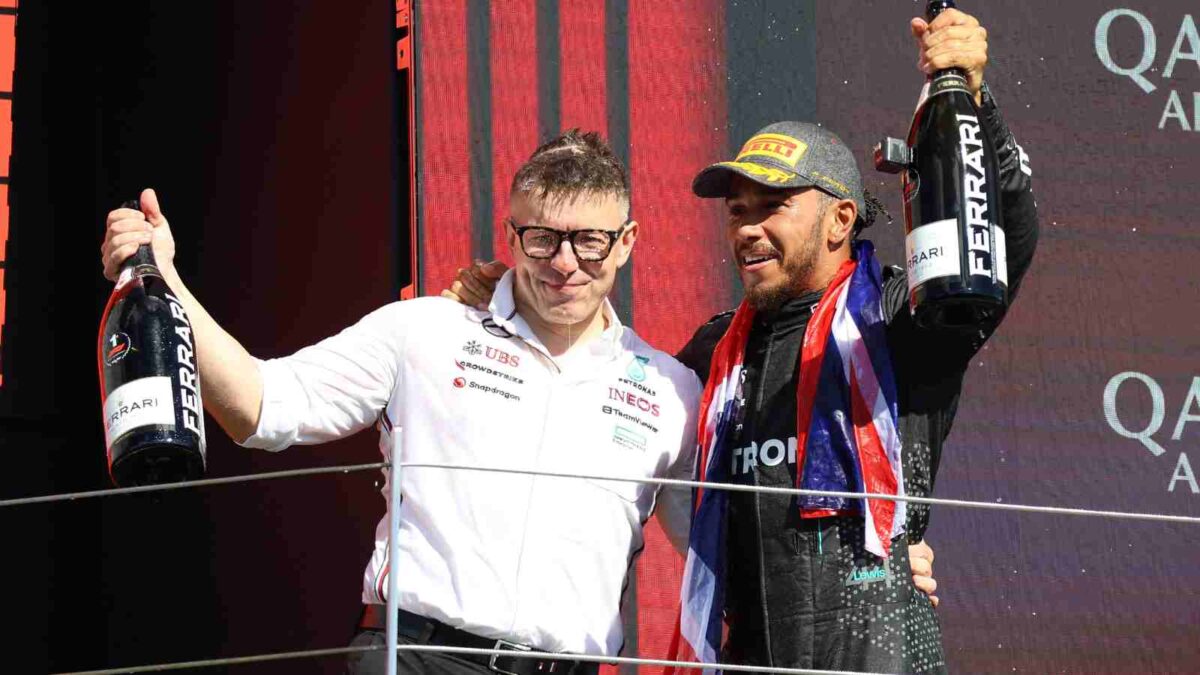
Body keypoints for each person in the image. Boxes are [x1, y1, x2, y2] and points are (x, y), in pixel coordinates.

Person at [445, 8, 1035, 673]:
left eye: (772, 205)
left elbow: (999, 240)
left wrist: (974, 103)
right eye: (737, 212)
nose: (747, 229)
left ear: (841, 217)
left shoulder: (903, 322)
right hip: (748, 659)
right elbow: (598, 364)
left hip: (885, 657)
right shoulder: (712, 352)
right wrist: (514, 292)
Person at [101, 131, 706, 675]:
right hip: (417, 658)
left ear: (626, 242)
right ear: (512, 236)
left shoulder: (671, 391)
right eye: (542, 239)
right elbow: (263, 406)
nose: (565, 264)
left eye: (590, 241)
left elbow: (716, 558)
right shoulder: (424, 332)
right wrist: (167, 280)